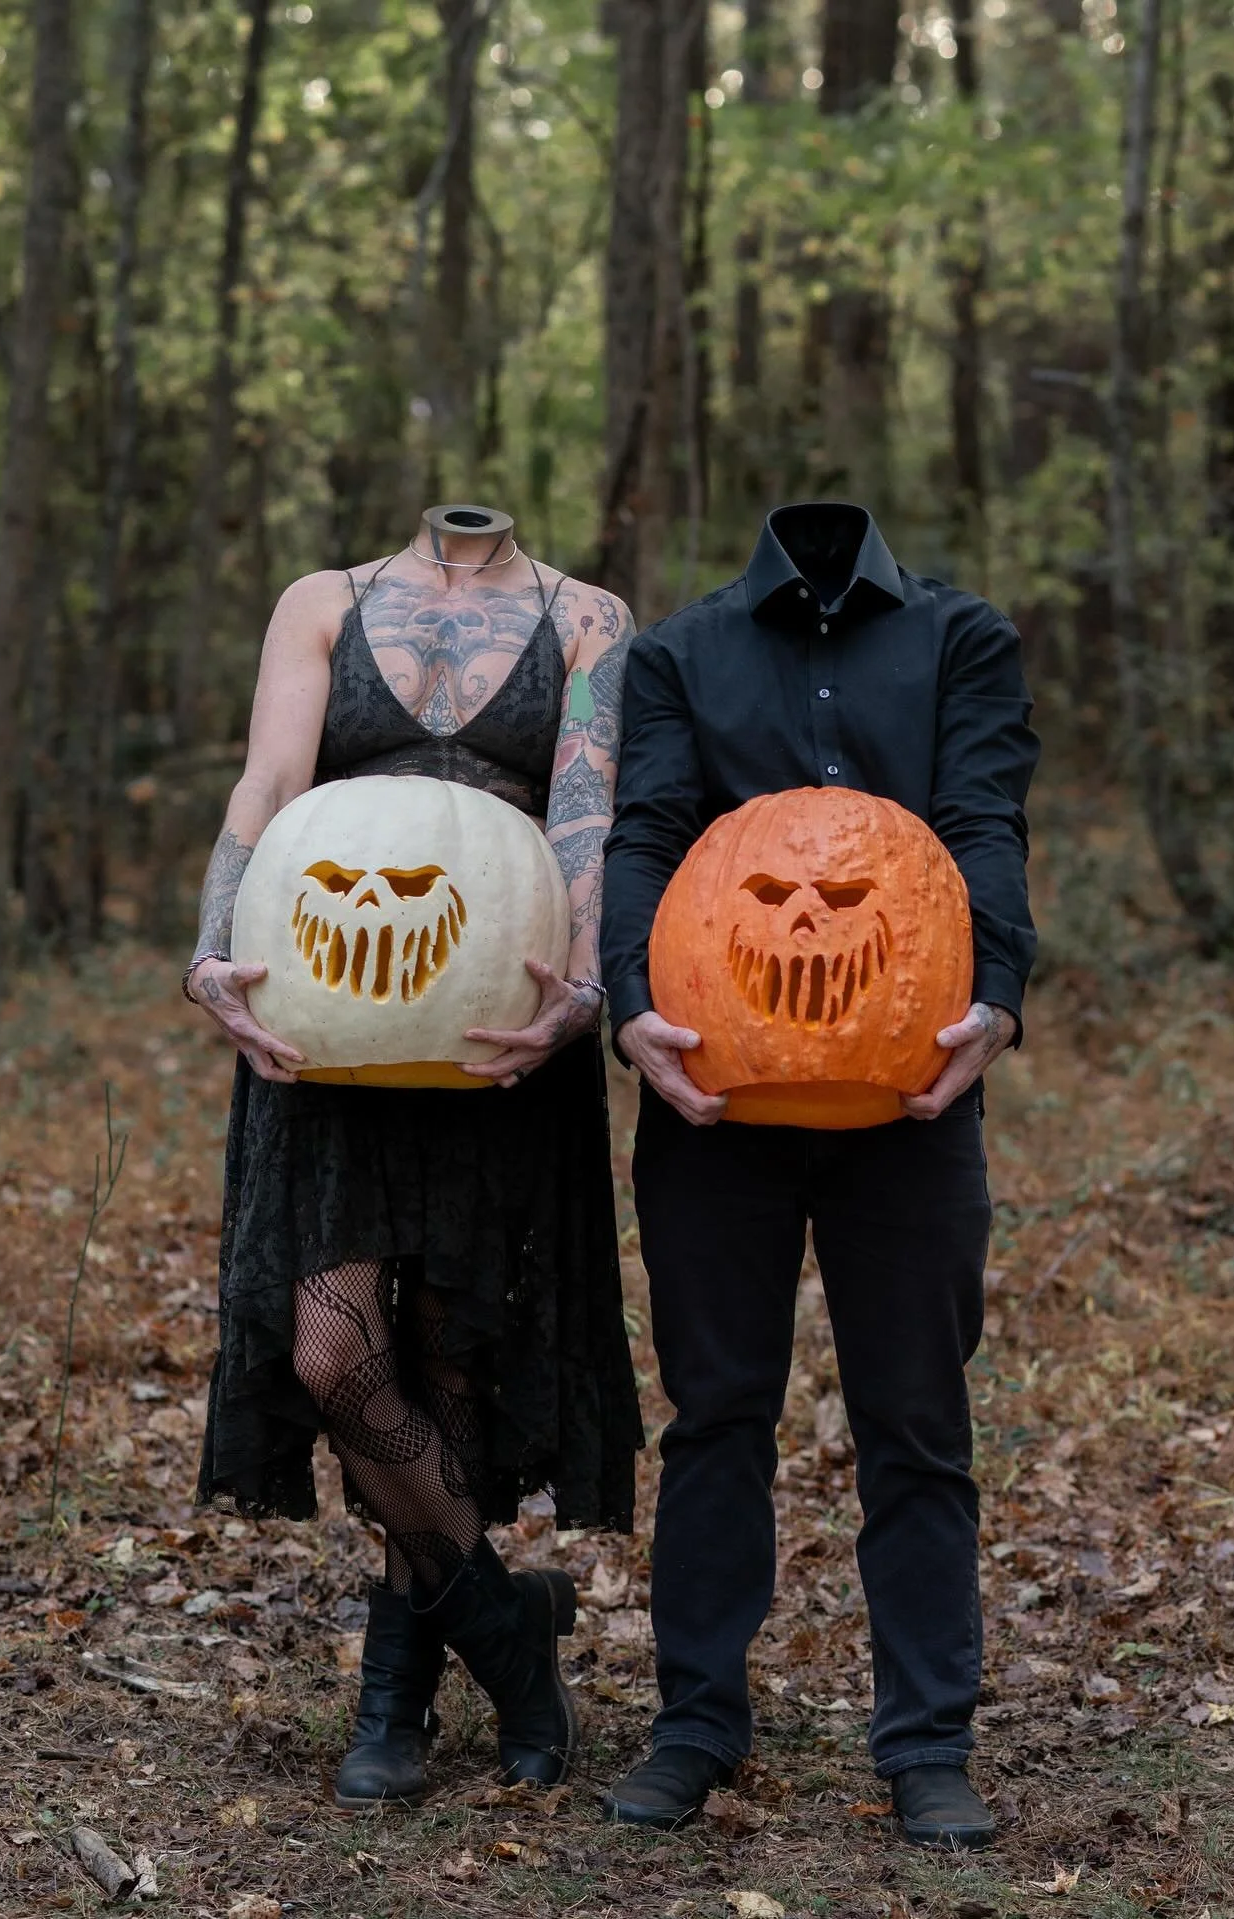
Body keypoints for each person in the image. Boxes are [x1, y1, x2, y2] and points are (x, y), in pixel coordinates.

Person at [186, 504, 644, 1809]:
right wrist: (215, 944)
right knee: (338, 1351)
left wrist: (583, 990)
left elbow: (585, 814)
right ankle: (510, 1634)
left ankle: (395, 1689)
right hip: (326, 1014)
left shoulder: (589, 619)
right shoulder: (321, 602)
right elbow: (268, 787)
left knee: (451, 1352)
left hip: (500, 1017)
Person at [598, 501, 1039, 1849]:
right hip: (712, 1094)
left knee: (917, 1422)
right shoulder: (683, 652)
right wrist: (629, 1002)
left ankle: (925, 1743)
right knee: (716, 1413)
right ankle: (695, 1724)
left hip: (910, 1093)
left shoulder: (963, 638)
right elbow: (648, 832)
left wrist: (1000, 994)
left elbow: (980, 819)